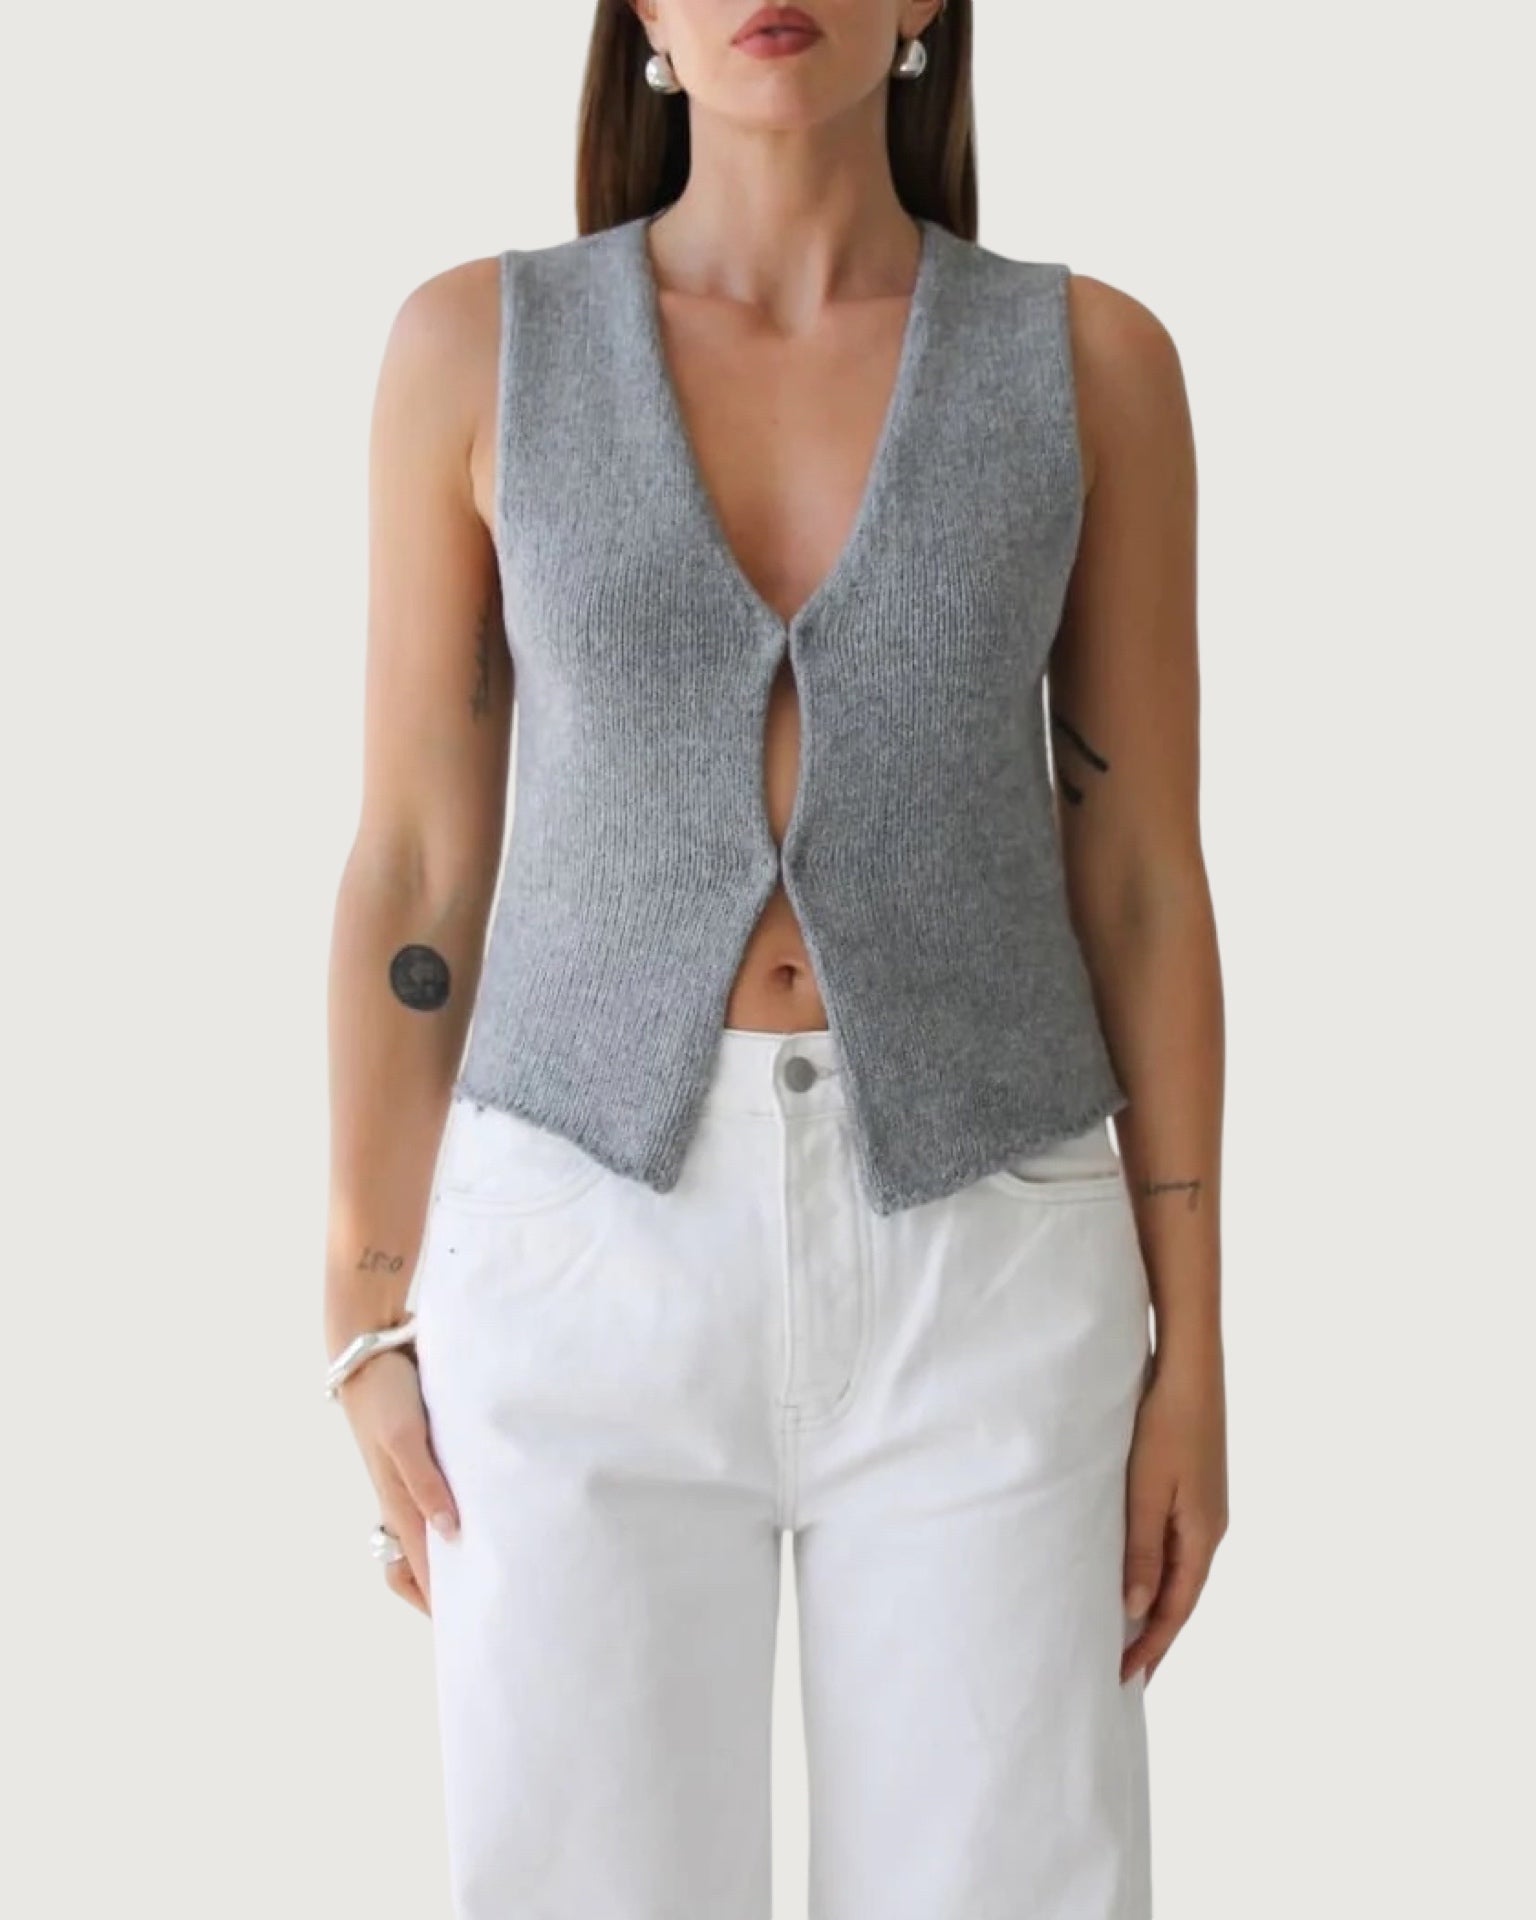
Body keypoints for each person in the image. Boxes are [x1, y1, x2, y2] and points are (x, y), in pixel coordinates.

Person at [321, 3, 1228, 1914]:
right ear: (642, 15)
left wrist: (1194, 1351)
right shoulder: (479, 350)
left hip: (991, 1249)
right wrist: (364, 1307)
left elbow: (1143, 878)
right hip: (576, 1243)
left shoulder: (1091, 366)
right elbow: (415, 860)